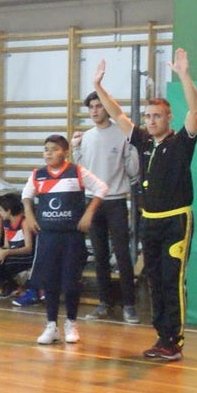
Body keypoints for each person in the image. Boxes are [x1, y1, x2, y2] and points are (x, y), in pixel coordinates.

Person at [92, 49, 197, 362]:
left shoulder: (181, 143)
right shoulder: (141, 141)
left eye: (157, 116)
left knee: (172, 280)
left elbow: (195, 111)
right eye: (149, 116)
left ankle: (175, 341)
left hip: (175, 221)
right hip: (148, 221)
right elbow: (118, 115)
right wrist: (99, 87)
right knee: (154, 281)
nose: (151, 121)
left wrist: (183, 74)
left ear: (169, 118)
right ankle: (162, 337)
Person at [22, 134, 108, 345]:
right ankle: (51, 325)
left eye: (53, 149)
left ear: (65, 152)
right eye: (45, 149)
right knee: (49, 282)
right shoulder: (38, 175)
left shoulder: (77, 172)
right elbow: (26, 195)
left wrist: (88, 214)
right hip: (48, 237)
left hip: (71, 237)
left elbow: (102, 189)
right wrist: (30, 215)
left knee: (70, 282)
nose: (48, 153)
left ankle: (71, 323)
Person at [73, 90, 141, 323]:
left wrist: (133, 150)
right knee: (99, 255)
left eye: (99, 106)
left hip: (116, 201)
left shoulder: (121, 134)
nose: (94, 110)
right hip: (92, 201)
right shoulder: (87, 137)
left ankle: (129, 305)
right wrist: (75, 149)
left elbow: (133, 172)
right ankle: (104, 303)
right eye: (91, 107)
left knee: (122, 255)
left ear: (106, 109)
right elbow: (81, 171)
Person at [0, 193, 36, 303]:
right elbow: (7, 245)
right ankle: (10, 286)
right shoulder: (6, 223)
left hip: (26, 256)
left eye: (0, 210)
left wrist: (7, 252)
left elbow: (28, 248)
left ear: (8, 210)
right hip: (13, 254)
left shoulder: (24, 222)